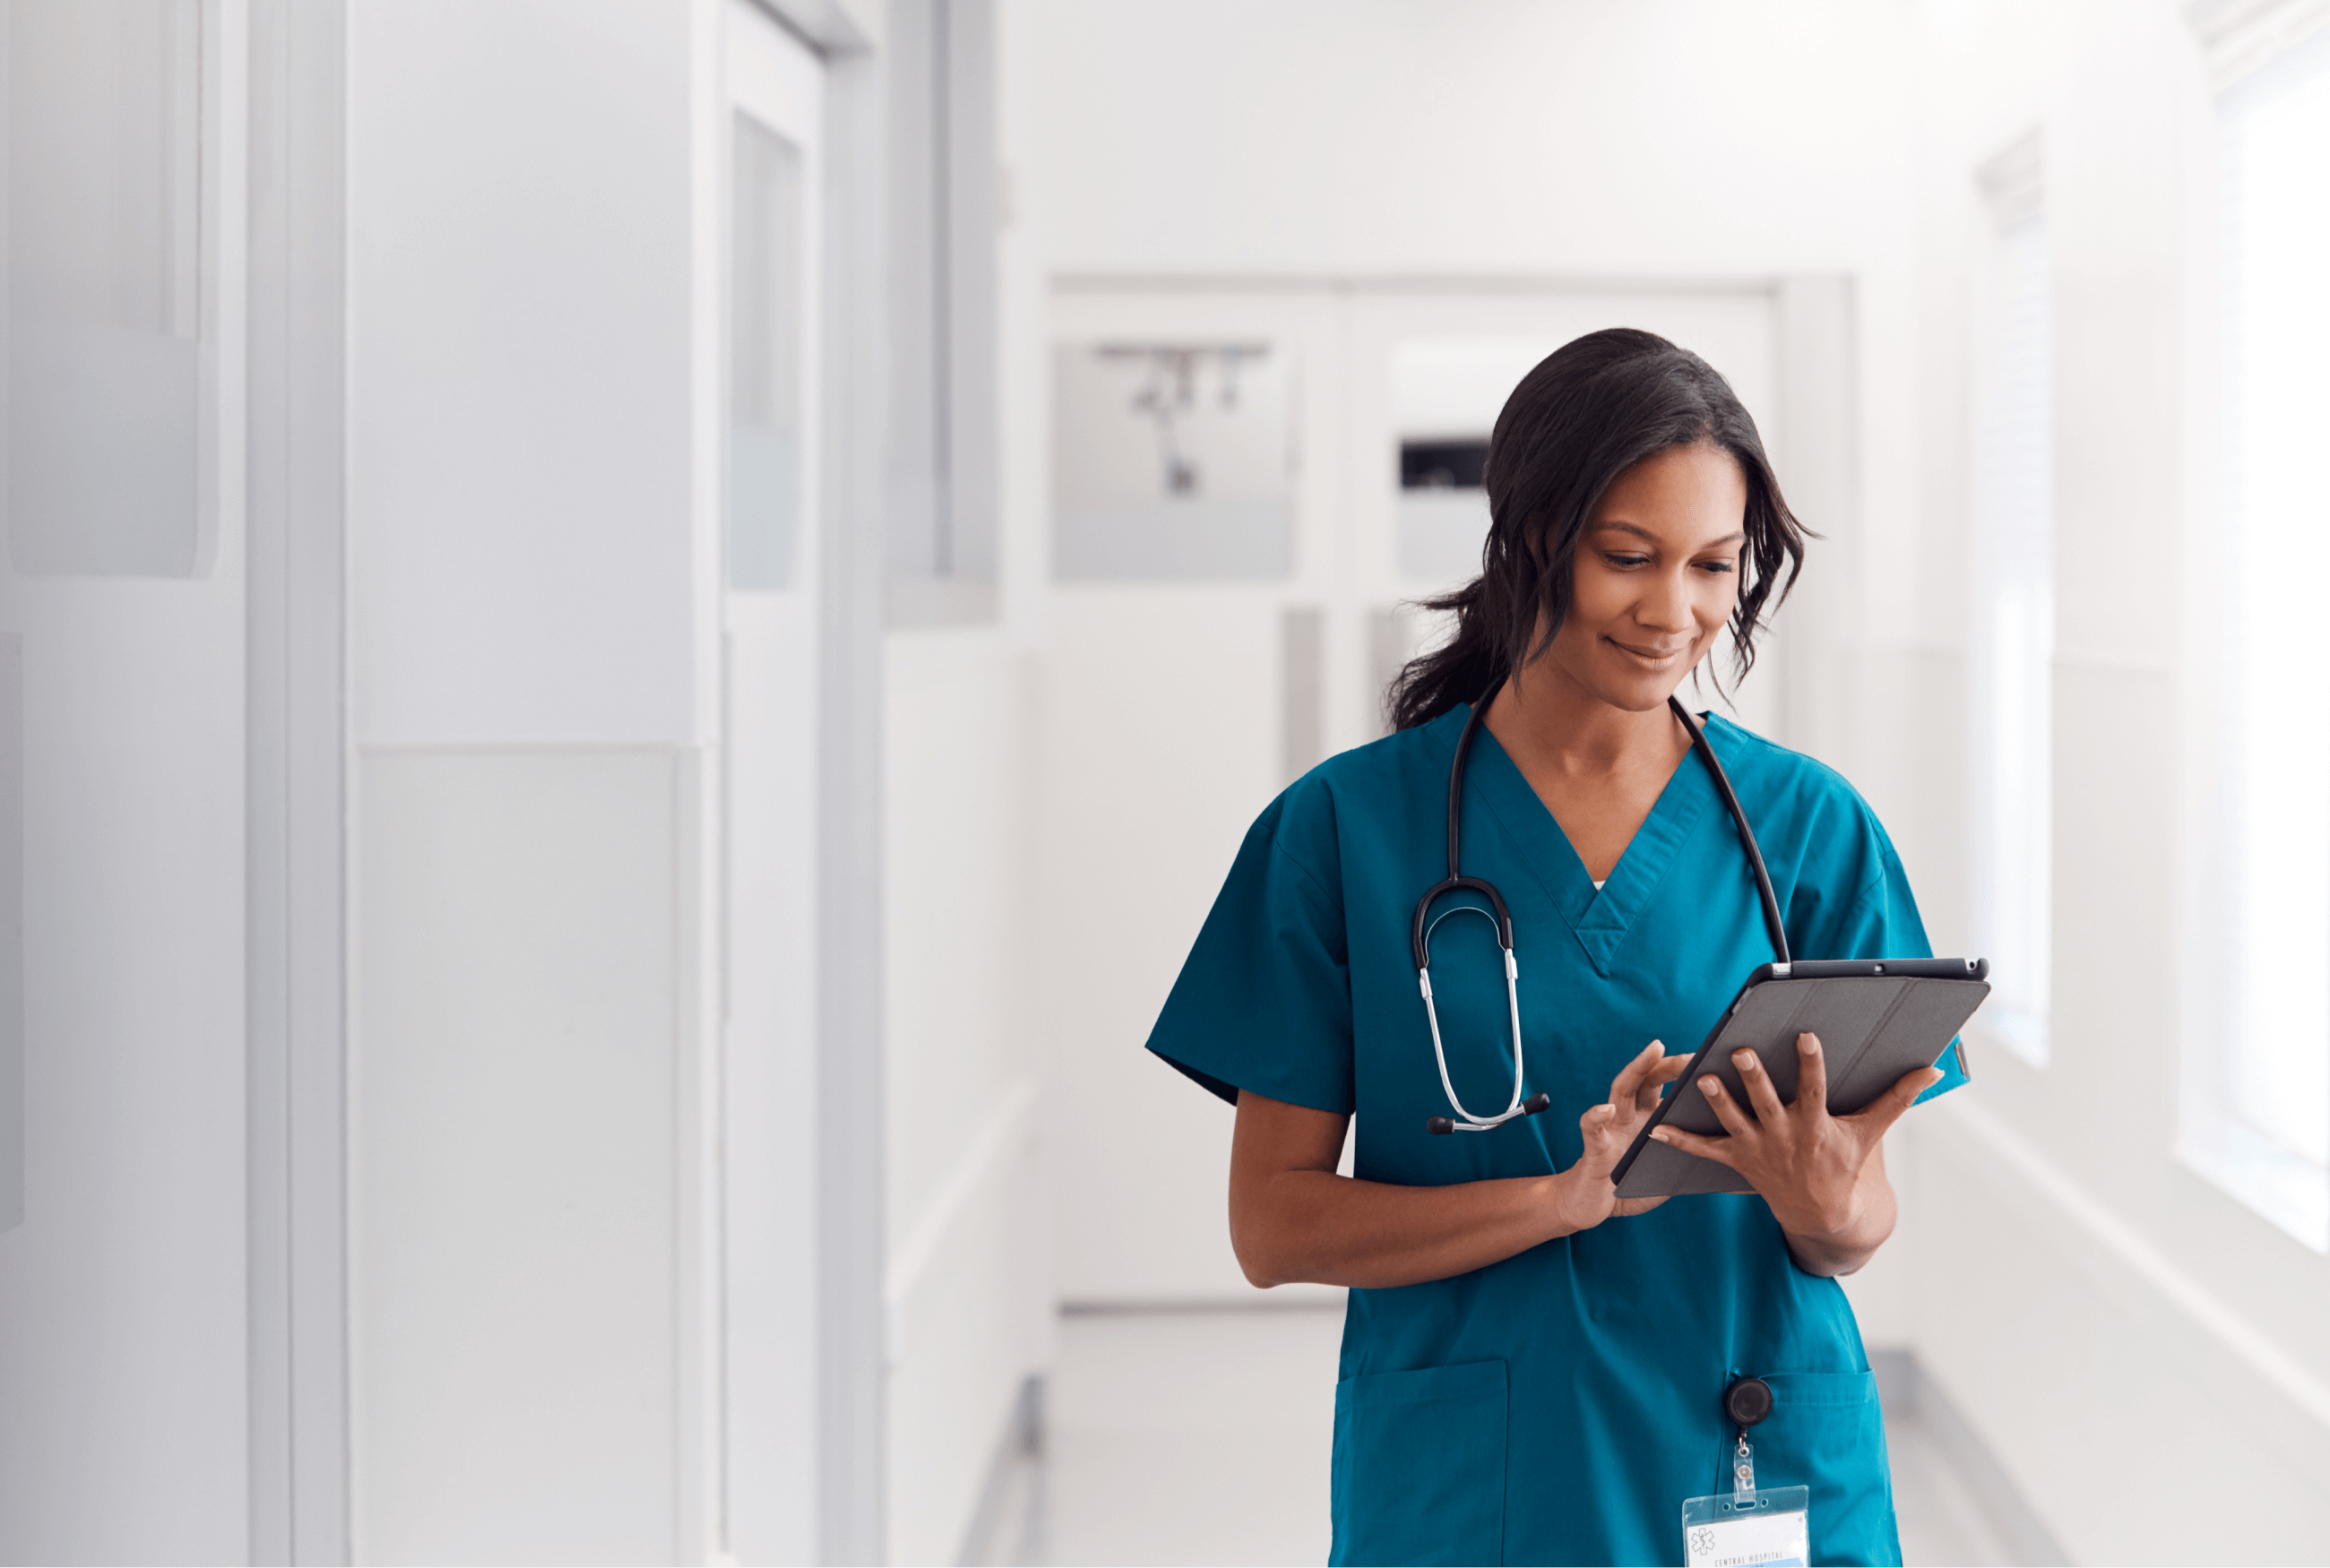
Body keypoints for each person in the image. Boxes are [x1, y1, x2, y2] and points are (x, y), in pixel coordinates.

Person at [1143, 328, 1967, 1567]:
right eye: (1628, 557)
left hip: (1748, 1446)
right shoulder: (1345, 831)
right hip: (1482, 1478)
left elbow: (1855, 1217)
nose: (1675, 611)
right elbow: (1274, 1224)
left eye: (1714, 565)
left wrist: (1830, 1203)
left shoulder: (1810, 832)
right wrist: (1558, 1199)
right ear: (1531, 537)